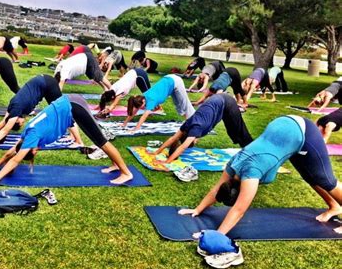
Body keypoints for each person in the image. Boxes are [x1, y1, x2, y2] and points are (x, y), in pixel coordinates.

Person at [179, 115, 342, 235]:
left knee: (326, 179)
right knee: (309, 175)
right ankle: (334, 206)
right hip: (281, 127)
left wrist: (217, 234)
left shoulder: (251, 174)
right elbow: (217, 189)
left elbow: (239, 209)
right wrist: (197, 209)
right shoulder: (233, 163)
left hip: (304, 132)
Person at [0, 94, 134, 185]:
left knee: (101, 142)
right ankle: (115, 165)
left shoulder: (32, 137)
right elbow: (12, 152)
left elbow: (16, 159)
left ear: (30, 147)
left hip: (73, 107)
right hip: (68, 102)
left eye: (34, 151)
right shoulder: (26, 135)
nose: (37, 151)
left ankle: (126, 173)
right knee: (99, 138)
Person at [152, 94, 253, 163]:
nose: (197, 142)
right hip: (217, 100)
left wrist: (167, 162)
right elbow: (173, 138)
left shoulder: (196, 129)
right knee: (233, 132)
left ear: (192, 139)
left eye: (194, 142)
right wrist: (156, 152)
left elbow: (182, 146)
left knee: (239, 131)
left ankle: (252, 151)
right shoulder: (186, 125)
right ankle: (248, 148)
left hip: (226, 102)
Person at [0, 75, 63, 146]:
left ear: (16, 120)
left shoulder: (16, 110)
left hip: (46, 83)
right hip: (41, 81)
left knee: (61, 110)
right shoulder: (13, 107)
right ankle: (73, 136)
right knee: (58, 110)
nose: (23, 122)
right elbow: (4, 121)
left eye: (21, 123)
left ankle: (75, 140)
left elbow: (5, 130)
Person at [124, 74, 195, 131]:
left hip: (175, 81)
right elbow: (135, 111)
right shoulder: (142, 97)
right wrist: (124, 123)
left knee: (185, 104)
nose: (142, 108)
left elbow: (144, 116)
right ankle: (188, 121)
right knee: (178, 105)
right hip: (169, 80)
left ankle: (194, 122)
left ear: (143, 101)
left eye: (142, 107)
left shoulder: (151, 100)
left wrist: (137, 128)